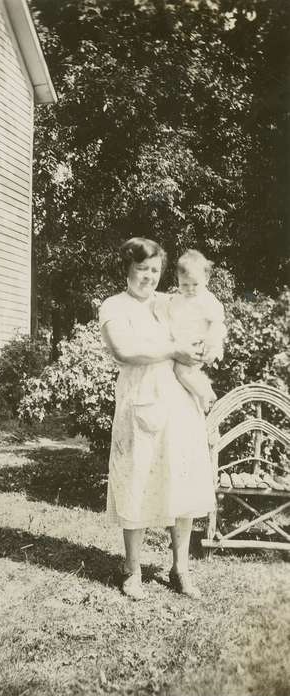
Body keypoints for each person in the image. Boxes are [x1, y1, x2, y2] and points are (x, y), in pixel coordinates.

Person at [99, 237, 215, 601]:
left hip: (180, 403)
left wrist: (208, 345)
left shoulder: (170, 302)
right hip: (140, 401)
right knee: (135, 480)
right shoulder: (114, 306)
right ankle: (132, 569)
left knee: (182, 482)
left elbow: (205, 315)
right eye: (141, 269)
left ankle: (180, 568)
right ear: (126, 269)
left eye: (154, 270)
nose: (148, 277)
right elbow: (125, 351)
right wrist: (174, 349)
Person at [165, 249, 226, 413]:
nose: (190, 289)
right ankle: (204, 388)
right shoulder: (177, 299)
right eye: (184, 284)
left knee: (181, 371)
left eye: (195, 284)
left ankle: (203, 393)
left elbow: (216, 322)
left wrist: (210, 344)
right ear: (178, 280)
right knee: (179, 372)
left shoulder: (206, 299)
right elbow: (170, 317)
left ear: (206, 279)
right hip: (183, 343)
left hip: (199, 344)